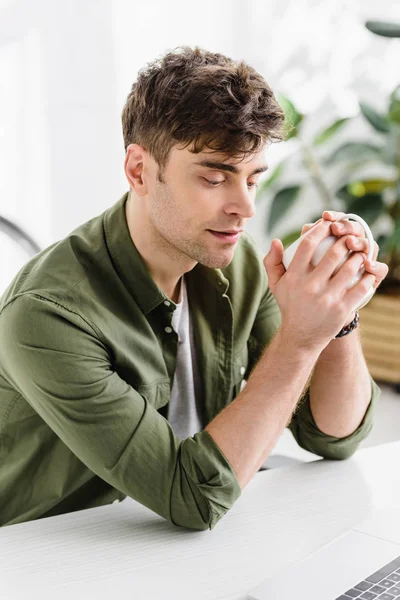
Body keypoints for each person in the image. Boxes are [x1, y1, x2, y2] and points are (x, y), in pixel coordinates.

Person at [0, 46, 387, 530]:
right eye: (214, 177)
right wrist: (301, 338)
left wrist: (338, 314)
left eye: (253, 179)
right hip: (50, 561)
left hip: (182, 547)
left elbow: (334, 435)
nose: (244, 207)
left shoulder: (235, 262)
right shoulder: (46, 315)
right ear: (139, 170)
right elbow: (191, 499)